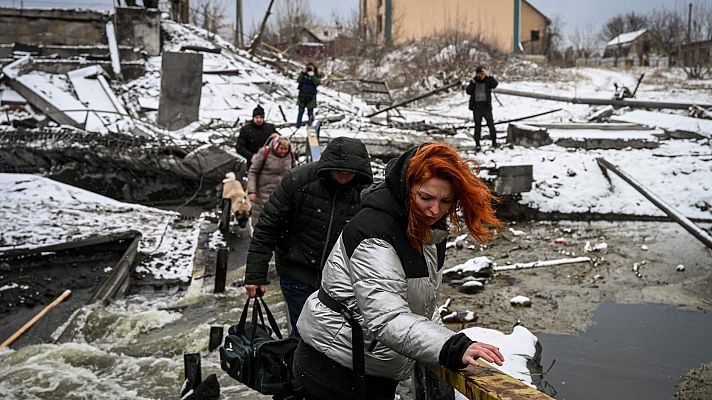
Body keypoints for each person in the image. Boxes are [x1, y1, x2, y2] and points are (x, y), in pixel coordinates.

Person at [294, 143, 505, 400]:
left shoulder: (428, 231)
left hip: (370, 364)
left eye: (446, 201)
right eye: (426, 198)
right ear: (406, 189)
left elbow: (421, 306)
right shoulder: (375, 233)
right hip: (336, 370)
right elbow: (388, 317)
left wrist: (444, 342)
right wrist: (449, 347)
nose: (435, 210)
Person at [244, 137, 373, 340]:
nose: (342, 176)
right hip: (297, 272)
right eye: (338, 171)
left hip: (339, 279)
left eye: (348, 172)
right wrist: (255, 275)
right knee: (306, 334)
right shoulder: (299, 181)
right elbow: (268, 226)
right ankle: (296, 366)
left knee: (332, 337)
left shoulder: (366, 194)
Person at [247, 134, 296, 228]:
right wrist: (251, 191)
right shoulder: (264, 152)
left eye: (285, 149)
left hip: (282, 193)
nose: (283, 151)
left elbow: (294, 171)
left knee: (279, 220)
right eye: (281, 148)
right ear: (275, 146)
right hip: (263, 192)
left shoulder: (290, 154)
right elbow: (253, 172)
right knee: (261, 219)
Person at [466, 65, 499, 151]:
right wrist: (472, 83)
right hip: (476, 108)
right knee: (477, 127)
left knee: (491, 125)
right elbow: (468, 91)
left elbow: (495, 84)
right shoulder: (474, 81)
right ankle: (477, 144)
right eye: (479, 74)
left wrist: (488, 76)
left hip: (486, 107)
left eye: (482, 74)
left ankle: (494, 142)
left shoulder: (488, 80)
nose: (481, 76)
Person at [236, 105, 278, 170]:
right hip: (252, 163)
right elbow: (239, 147)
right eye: (256, 117)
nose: (259, 119)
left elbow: (282, 142)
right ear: (253, 117)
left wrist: (278, 137)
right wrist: (251, 156)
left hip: (268, 162)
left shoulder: (269, 128)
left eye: (261, 117)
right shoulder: (246, 129)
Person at [295, 63, 321, 129]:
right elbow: (298, 80)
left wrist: (312, 76)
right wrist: (302, 73)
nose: (309, 70)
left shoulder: (316, 75)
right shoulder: (303, 75)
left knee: (310, 112)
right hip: (302, 96)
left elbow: (317, 83)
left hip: (311, 97)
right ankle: (298, 125)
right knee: (300, 112)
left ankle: (311, 124)